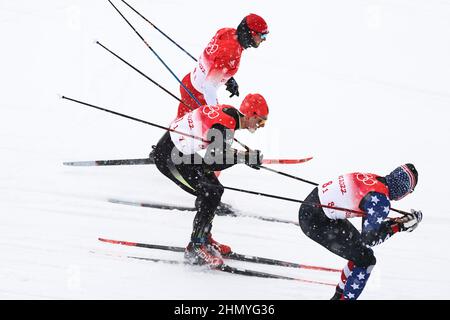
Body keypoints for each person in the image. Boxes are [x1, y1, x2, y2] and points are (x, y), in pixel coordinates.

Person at [153, 93, 269, 268]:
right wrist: (245, 158)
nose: (260, 126)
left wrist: (244, 156)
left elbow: (214, 156)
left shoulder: (230, 114)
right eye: (260, 121)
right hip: (169, 157)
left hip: (180, 151)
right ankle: (196, 246)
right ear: (250, 115)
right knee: (209, 192)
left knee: (214, 189)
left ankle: (204, 238)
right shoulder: (226, 125)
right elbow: (214, 162)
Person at [298, 164, 423, 300]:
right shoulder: (381, 201)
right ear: (404, 190)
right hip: (316, 220)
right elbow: (369, 239)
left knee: (362, 254)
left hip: (315, 206)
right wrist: (398, 227)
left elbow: (370, 227)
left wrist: (397, 223)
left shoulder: (376, 180)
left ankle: (339, 296)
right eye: (410, 191)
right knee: (366, 260)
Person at [177, 13, 269, 118]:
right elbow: (208, 87)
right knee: (187, 132)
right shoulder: (231, 54)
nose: (264, 39)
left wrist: (227, 77)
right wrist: (217, 115)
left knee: (179, 128)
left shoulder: (228, 32)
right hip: (197, 96)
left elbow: (215, 59)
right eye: (263, 35)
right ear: (250, 33)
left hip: (189, 84)